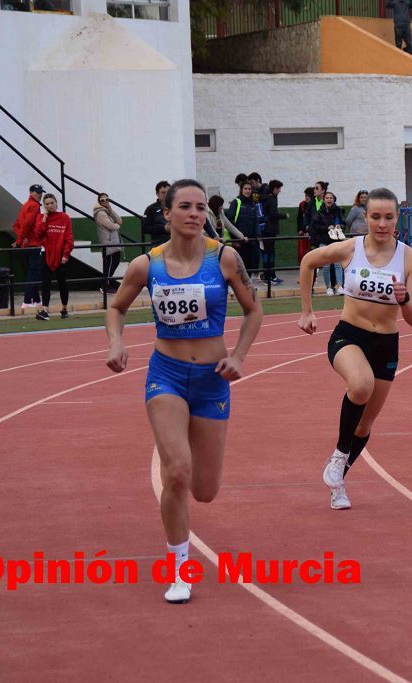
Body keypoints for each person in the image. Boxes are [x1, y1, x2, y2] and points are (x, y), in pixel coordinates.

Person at [105, 179, 263, 603]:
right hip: (167, 376)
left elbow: (253, 310)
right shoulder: (146, 265)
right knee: (176, 471)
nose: (195, 214)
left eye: (200, 208)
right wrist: (116, 343)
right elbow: (116, 307)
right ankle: (179, 569)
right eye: (186, 207)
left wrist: (240, 357)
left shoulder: (225, 258)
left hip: (214, 379)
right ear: (168, 212)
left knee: (205, 490)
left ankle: (184, 537)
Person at [298, 188, 412, 509]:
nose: (382, 224)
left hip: (386, 344)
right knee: (361, 385)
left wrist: (404, 299)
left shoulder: (410, 259)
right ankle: (339, 454)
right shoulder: (349, 249)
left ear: (397, 219)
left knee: (365, 424)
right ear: (364, 217)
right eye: (376, 217)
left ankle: (338, 483)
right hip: (349, 336)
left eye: (389, 217)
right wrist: (307, 310)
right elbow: (309, 261)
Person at [34, 193, 74, 321]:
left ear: (56, 203)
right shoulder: (41, 217)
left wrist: (65, 255)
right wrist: (44, 219)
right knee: (45, 284)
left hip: (61, 255)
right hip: (46, 254)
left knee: (63, 284)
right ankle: (45, 310)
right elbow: (38, 235)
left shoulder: (65, 218)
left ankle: (64, 309)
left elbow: (69, 238)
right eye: (47, 204)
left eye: (52, 203)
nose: (50, 206)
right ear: (44, 206)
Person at [12, 183, 44, 308]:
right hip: (33, 244)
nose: (39, 195)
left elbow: (16, 225)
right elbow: (27, 225)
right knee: (34, 272)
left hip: (27, 245)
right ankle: (28, 300)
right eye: (37, 192)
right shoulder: (34, 206)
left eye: (41, 192)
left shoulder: (25, 205)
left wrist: (21, 239)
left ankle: (36, 299)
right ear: (31, 193)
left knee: (32, 271)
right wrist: (20, 240)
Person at [310, 190, 347, 295]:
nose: (329, 200)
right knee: (326, 266)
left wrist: (340, 226)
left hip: (336, 241)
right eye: (327, 198)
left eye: (331, 198)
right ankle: (328, 288)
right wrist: (327, 227)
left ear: (333, 199)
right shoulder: (319, 212)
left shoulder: (338, 210)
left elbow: (344, 222)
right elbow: (315, 226)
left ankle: (339, 286)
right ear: (324, 200)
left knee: (338, 264)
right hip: (324, 241)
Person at [225, 181, 261, 273]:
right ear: (241, 190)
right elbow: (230, 222)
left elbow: (255, 221)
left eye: (249, 189)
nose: (248, 191)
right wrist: (235, 240)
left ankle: (247, 286)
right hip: (239, 242)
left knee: (249, 267)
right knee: (239, 267)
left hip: (251, 242)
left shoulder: (253, 204)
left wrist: (256, 237)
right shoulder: (236, 202)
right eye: (245, 189)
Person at [94, 192, 123, 295]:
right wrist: (116, 225)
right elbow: (111, 226)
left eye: (107, 199)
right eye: (102, 200)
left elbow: (119, 220)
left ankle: (108, 283)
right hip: (108, 243)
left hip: (114, 242)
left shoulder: (107, 211)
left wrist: (110, 209)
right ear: (99, 201)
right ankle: (104, 286)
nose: (105, 201)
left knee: (115, 262)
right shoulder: (100, 213)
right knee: (109, 264)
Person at [260, 179, 285, 285]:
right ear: (274, 188)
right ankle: (269, 276)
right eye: (279, 188)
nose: (280, 191)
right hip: (270, 230)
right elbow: (273, 214)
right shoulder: (272, 199)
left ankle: (269, 275)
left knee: (267, 253)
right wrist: (284, 215)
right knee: (270, 253)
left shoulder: (265, 198)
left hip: (264, 229)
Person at [142, 180, 170, 248]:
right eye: (163, 192)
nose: (166, 195)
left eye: (168, 192)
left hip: (176, 246)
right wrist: (164, 228)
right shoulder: (151, 209)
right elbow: (145, 228)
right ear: (157, 194)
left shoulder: (177, 207)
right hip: (158, 246)